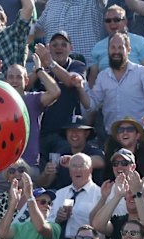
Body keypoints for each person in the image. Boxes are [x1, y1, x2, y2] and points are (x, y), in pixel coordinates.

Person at [88, 32, 144, 138]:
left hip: (141, 137)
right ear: (108, 50)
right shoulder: (102, 77)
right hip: (113, 137)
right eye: (113, 48)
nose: (116, 51)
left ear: (128, 50)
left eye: (120, 48)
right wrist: (80, 88)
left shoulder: (142, 72)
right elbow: (91, 104)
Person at [31, 32, 91, 166]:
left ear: (71, 48)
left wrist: (50, 63)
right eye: (55, 45)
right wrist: (39, 68)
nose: (59, 48)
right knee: (43, 173)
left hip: (66, 134)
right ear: (48, 48)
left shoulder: (77, 65)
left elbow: (71, 81)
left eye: (64, 45)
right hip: (42, 132)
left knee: (63, 170)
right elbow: (26, 85)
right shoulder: (43, 67)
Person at [4, 61, 60, 177]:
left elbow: (55, 92)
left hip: (28, 166)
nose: (14, 81)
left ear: (26, 81)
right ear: (5, 81)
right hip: (1, 167)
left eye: (19, 77)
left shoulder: (33, 99)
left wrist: (39, 70)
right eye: (11, 77)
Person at [103, 116, 144, 209]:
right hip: (120, 208)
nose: (125, 132)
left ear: (138, 135)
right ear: (117, 137)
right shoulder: (112, 157)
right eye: (121, 130)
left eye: (130, 129)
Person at [0, 173, 61, 239]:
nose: (47, 206)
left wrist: (30, 197)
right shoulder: (19, 227)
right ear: (31, 204)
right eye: (43, 202)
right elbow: (2, 234)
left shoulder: (55, 227)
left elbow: (41, 228)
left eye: (50, 203)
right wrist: (12, 205)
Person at [88, 5, 144, 87]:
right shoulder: (98, 47)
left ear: (125, 21)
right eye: (108, 20)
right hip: (107, 96)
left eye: (116, 20)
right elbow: (92, 81)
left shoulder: (141, 43)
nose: (112, 23)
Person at [48, 153, 102, 239]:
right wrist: (57, 220)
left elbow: (102, 229)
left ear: (90, 169)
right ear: (69, 171)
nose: (77, 170)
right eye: (74, 166)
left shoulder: (99, 194)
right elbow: (47, 222)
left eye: (81, 166)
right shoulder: (60, 194)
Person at [34, 0, 106, 66]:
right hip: (53, 72)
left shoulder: (93, 2)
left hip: (88, 72)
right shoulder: (52, 3)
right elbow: (37, 29)